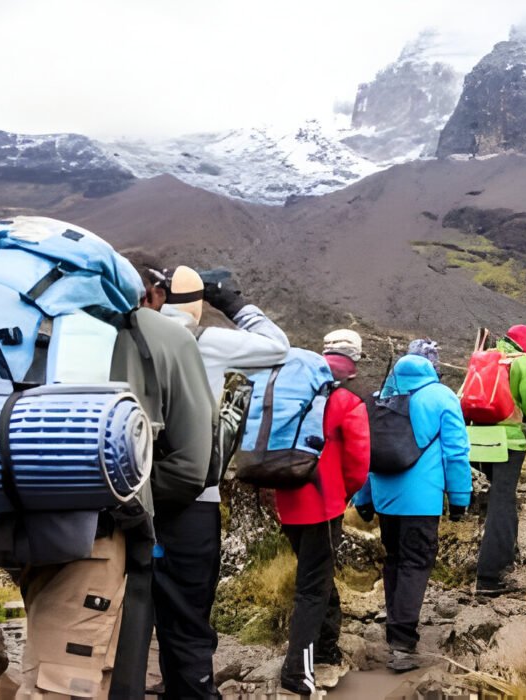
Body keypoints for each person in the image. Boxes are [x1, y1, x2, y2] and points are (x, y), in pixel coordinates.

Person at [19, 260, 215, 699]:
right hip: (111, 538)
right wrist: (130, 488)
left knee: (42, 661)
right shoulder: (165, 338)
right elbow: (191, 467)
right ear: (151, 295)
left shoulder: (41, 328)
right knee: (94, 675)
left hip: (34, 528)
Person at [141, 263, 290, 698]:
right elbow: (276, 347)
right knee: (187, 618)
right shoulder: (206, 342)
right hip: (191, 502)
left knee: (129, 614)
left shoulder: (122, 336)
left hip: (123, 496)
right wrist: (233, 302)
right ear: (199, 305)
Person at [352, 352, 471, 672]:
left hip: (384, 499)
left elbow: (362, 452)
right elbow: (456, 452)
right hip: (423, 501)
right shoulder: (441, 397)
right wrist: (460, 497)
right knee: (416, 563)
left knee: (395, 559)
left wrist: (362, 498)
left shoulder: (376, 400)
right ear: (431, 372)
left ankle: (396, 630)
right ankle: (402, 643)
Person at [276, 329, 370, 696]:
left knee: (318, 575)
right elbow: (359, 463)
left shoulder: (294, 392)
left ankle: (327, 648)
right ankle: (297, 669)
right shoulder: (348, 401)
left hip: (287, 500)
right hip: (323, 505)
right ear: (354, 362)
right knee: (312, 589)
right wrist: (346, 495)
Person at [473, 324, 526, 597]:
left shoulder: (485, 358)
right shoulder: (523, 364)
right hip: (506, 444)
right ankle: (490, 577)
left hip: (474, 442)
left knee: (488, 502)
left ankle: (501, 559)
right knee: (502, 503)